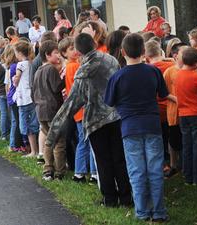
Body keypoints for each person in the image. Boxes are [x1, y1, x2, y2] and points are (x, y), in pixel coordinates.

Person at [47, 33, 132, 208]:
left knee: (103, 161)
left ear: (77, 51)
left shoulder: (83, 71)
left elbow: (71, 104)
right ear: (94, 43)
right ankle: (125, 197)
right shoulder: (111, 60)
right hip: (117, 116)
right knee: (119, 158)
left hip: (96, 121)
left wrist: (52, 134)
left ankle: (109, 199)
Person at [105, 33, 173, 222]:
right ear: (144, 51)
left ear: (123, 52)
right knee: (155, 169)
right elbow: (162, 93)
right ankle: (159, 211)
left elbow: (109, 102)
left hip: (129, 128)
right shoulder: (153, 71)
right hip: (152, 125)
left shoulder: (117, 77)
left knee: (136, 170)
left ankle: (142, 211)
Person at [60, 37, 97, 183]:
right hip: (82, 109)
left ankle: (84, 171)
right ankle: (84, 172)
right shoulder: (74, 66)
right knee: (87, 140)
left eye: (75, 48)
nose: (75, 51)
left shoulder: (70, 66)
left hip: (77, 109)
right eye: (70, 49)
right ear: (64, 53)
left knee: (85, 140)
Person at [32, 41, 66, 180]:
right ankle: (59, 171)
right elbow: (56, 87)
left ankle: (48, 169)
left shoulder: (38, 71)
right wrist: (64, 77)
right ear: (47, 55)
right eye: (56, 53)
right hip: (52, 110)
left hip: (40, 110)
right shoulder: (51, 69)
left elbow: (34, 91)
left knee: (48, 141)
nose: (58, 55)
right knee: (59, 142)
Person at [175, 47, 197, 185]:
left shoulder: (178, 74)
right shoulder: (196, 76)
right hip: (196, 114)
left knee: (187, 145)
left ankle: (188, 176)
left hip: (183, 114)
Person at [145, 40, 175, 178]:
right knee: (173, 138)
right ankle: (175, 163)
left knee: (160, 140)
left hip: (157, 111)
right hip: (173, 109)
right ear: (160, 52)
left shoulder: (148, 70)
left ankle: (164, 165)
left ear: (146, 56)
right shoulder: (173, 65)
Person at [162, 43, 186, 178]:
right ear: (176, 56)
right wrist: (175, 99)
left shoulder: (191, 70)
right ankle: (173, 164)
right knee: (174, 139)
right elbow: (163, 92)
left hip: (187, 112)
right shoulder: (170, 71)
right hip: (173, 112)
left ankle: (184, 164)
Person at [13, 40, 40, 156]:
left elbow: (17, 77)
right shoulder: (31, 63)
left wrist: (15, 80)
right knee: (34, 123)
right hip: (32, 96)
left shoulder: (21, 64)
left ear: (19, 53)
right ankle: (37, 150)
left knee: (26, 126)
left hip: (24, 98)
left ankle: (33, 151)